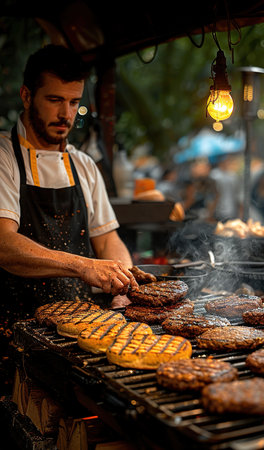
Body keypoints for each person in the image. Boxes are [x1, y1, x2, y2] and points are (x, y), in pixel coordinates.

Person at [0, 45, 140, 391]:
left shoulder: (84, 165)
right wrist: (83, 266)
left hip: (79, 337)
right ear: (27, 96)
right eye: (55, 100)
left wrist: (122, 287)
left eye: (74, 102)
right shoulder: (4, 155)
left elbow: (108, 241)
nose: (67, 114)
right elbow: (4, 244)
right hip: (12, 332)